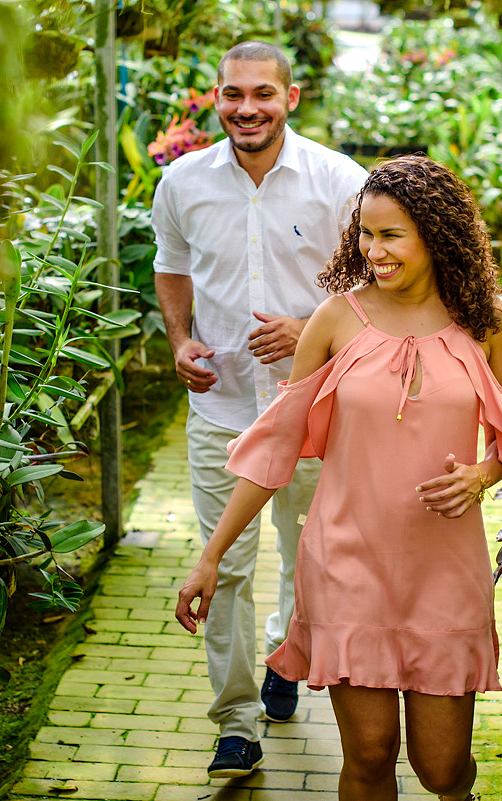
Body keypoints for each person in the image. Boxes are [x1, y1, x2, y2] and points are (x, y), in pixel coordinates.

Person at [175, 156, 502, 800]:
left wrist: (481, 476)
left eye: (391, 235)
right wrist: (210, 557)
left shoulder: (486, 322)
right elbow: (274, 451)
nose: (372, 249)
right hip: (347, 561)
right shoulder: (336, 320)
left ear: (436, 234)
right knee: (368, 755)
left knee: (443, 767)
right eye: (365, 233)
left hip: (444, 568)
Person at [151, 41, 368, 778]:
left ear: (292, 97)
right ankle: (236, 721)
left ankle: (287, 650)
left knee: (307, 552)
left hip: (310, 407)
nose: (247, 109)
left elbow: (382, 287)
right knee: (227, 565)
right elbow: (171, 267)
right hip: (219, 411)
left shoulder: (341, 182)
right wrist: (179, 340)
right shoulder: (182, 181)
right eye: (233, 95)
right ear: (214, 98)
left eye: (263, 95)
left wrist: (312, 329)